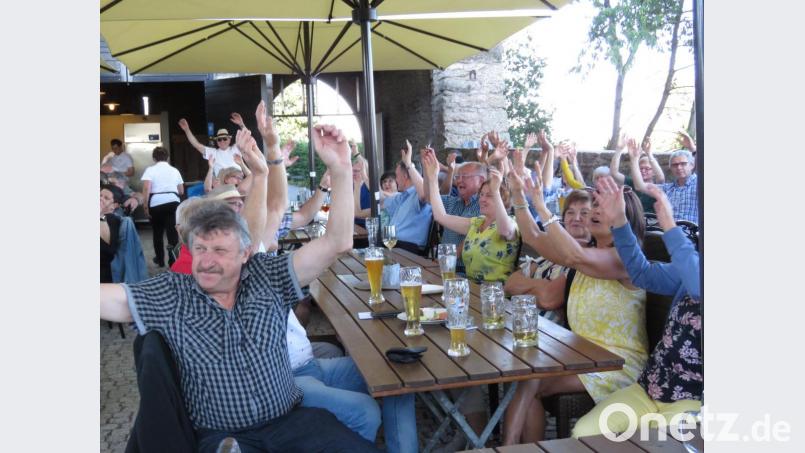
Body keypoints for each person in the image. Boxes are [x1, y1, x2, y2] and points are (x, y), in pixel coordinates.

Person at [100, 121, 381, 452]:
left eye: (219, 251)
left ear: (246, 252)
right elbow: (109, 300)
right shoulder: (174, 292)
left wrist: (341, 168)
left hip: (290, 422)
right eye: (200, 249)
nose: (206, 261)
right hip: (221, 434)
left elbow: (337, 241)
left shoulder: (267, 275)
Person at [503, 168, 649, 444]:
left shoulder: (624, 259)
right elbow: (533, 237)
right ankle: (511, 447)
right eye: (595, 204)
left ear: (622, 217)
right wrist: (521, 197)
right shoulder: (587, 252)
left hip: (618, 363)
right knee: (529, 376)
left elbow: (575, 255)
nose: (594, 210)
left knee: (531, 381)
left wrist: (544, 209)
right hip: (580, 355)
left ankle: (508, 447)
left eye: (601, 207)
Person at [571, 177, 702, 437]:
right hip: (649, 389)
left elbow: (699, 286)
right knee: (584, 433)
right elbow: (642, 273)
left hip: (694, 401)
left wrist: (670, 227)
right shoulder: (693, 267)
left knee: (654, 441)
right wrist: (619, 220)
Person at [423, 150, 519, 283]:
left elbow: (505, 231)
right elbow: (441, 216)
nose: (482, 199)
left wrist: (495, 191)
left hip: (493, 294)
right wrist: (432, 178)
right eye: (482, 195)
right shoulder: (477, 222)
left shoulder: (510, 224)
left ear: (503, 199)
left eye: (489, 195)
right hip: (469, 287)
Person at [504, 188, 593, 326]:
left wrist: (525, 289)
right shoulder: (549, 253)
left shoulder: (587, 258)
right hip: (517, 323)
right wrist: (542, 285)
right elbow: (510, 284)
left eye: (584, 213)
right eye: (570, 212)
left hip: (549, 336)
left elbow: (548, 299)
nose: (576, 218)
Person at [422, 152, 485, 275]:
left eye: (465, 176)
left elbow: (470, 238)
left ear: (481, 181)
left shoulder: (483, 206)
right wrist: (427, 171)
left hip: (465, 272)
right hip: (446, 268)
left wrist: (447, 260)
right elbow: (430, 198)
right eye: (457, 177)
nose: (459, 181)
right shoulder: (454, 202)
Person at [379, 140, 431, 255]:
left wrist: (408, 164)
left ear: (406, 175)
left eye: (396, 176)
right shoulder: (402, 197)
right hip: (392, 246)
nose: (396, 180)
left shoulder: (418, 194)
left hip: (409, 249)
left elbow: (424, 194)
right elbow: (379, 199)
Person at [141, 146, 184, 268]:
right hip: (173, 202)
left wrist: (145, 206)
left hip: (156, 203)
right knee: (172, 234)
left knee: (157, 233)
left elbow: (146, 188)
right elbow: (181, 191)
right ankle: (173, 261)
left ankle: (160, 260)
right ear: (168, 158)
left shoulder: (150, 170)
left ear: (154, 158)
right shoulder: (175, 170)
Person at [631, 148, 698, 224]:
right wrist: (634, 159)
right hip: (669, 232)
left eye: (683, 164)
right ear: (671, 168)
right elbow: (639, 186)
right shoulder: (667, 188)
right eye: (675, 165)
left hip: (692, 233)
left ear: (692, 165)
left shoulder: (700, 185)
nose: (679, 167)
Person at [610, 135, 665, 214]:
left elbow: (661, 177)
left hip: (652, 222)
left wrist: (649, 154)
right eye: (640, 168)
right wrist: (619, 150)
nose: (643, 171)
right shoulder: (631, 182)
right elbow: (614, 173)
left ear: (653, 172)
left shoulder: (658, 184)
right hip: (634, 219)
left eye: (647, 168)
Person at [100, 184, 125, 283]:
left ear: (114, 206)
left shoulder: (117, 221)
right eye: (99, 195)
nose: (100, 199)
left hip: (109, 279)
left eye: (106, 198)